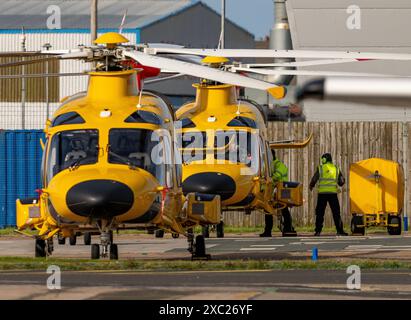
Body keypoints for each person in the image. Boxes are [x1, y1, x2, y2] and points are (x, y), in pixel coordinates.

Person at [260, 150, 297, 237]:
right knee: (268, 210)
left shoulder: (279, 165)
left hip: (283, 190)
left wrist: (270, 179)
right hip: (273, 191)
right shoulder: (269, 166)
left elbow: (278, 175)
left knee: (284, 209)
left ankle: (288, 229)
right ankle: (268, 231)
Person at [309, 153, 348, 236]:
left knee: (320, 213)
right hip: (333, 194)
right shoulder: (336, 169)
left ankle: (318, 231)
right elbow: (341, 182)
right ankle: (340, 231)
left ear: (324, 160)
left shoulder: (321, 168)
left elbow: (314, 179)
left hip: (322, 194)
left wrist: (311, 185)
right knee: (336, 213)